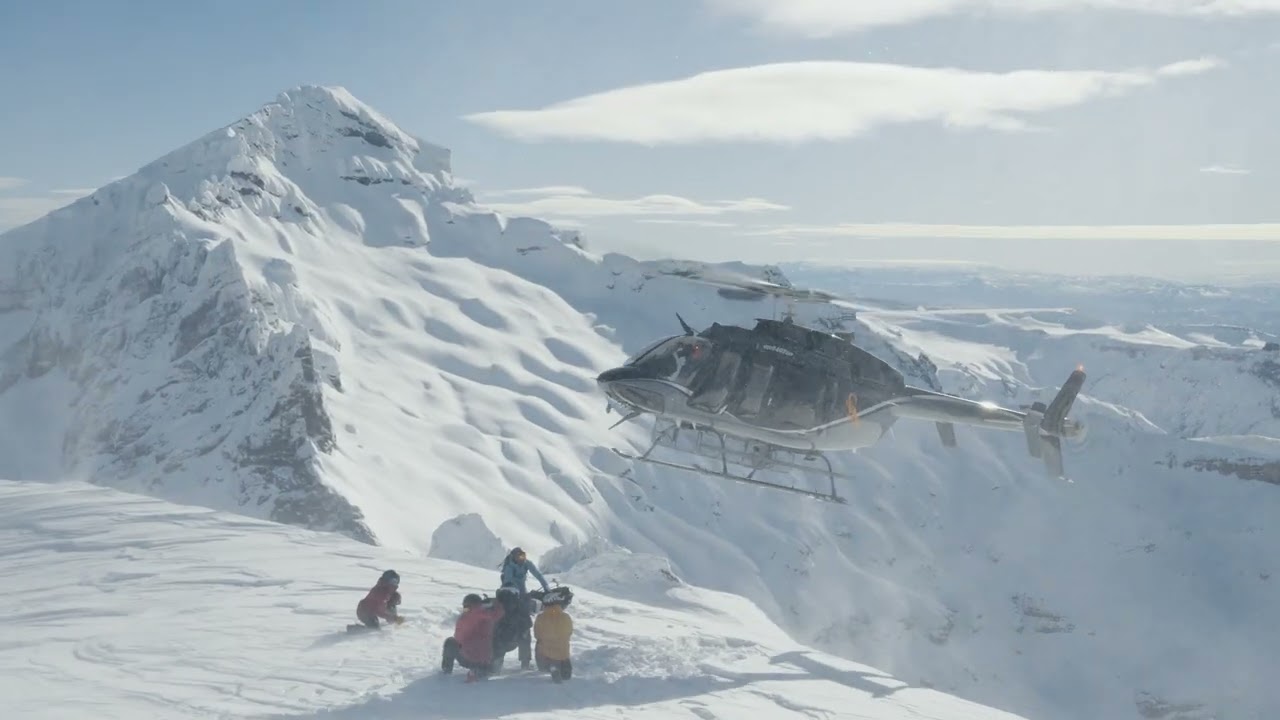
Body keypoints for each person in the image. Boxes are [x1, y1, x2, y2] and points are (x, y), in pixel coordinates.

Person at [442, 593, 505, 682]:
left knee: (450, 642)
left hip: (467, 657)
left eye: (465, 606)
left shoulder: (470, 614)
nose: (465, 609)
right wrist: (496, 604)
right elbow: (498, 614)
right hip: (485, 659)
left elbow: (458, 638)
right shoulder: (484, 614)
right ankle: (483, 670)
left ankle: (446, 671)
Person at [533, 587, 574, 682]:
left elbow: (537, 635)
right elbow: (569, 633)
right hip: (563, 655)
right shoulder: (566, 617)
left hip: (545, 656)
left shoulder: (540, 617)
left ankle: (552, 667)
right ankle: (559, 667)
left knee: (540, 643)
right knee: (566, 676)